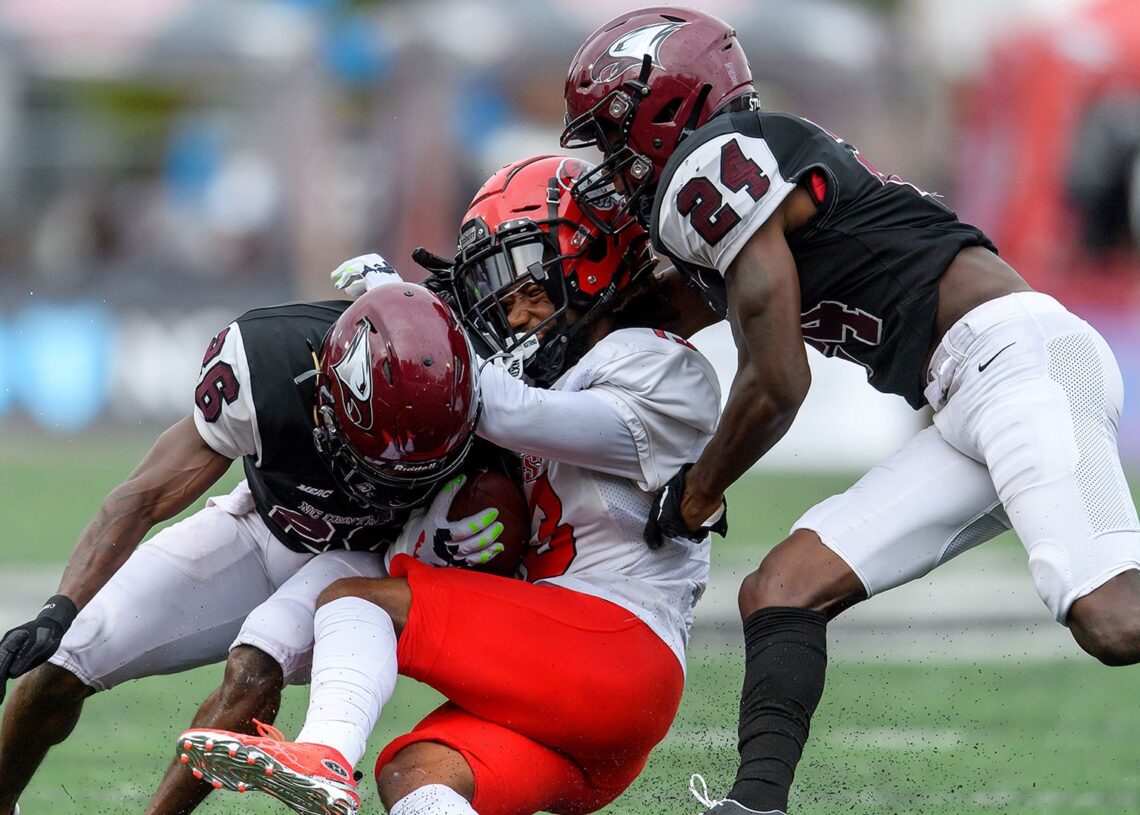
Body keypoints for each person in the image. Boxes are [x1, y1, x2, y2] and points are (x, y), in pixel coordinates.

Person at [561, 6, 1140, 815]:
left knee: (1113, 619)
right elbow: (661, 316)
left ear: (671, 108)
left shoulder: (711, 168)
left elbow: (777, 381)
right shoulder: (735, 183)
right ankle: (753, 805)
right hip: (965, 392)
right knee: (782, 586)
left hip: (1020, 363)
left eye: (616, 133)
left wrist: (699, 492)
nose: (612, 165)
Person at [169, 153, 722, 815]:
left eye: (532, 286)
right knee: (417, 772)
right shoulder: (559, 372)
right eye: (505, 292)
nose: (516, 314)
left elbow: (513, 412)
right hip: (582, 699)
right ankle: (338, 758)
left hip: (615, 645)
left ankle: (323, 751)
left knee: (360, 598)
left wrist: (413, 316)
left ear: (590, 263)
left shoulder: (658, 363)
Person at [0, 281, 503, 815]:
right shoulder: (268, 364)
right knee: (60, 663)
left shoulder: (486, 403)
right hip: (261, 525)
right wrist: (61, 609)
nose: (387, 473)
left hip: (364, 563)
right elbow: (143, 497)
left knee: (253, 673)